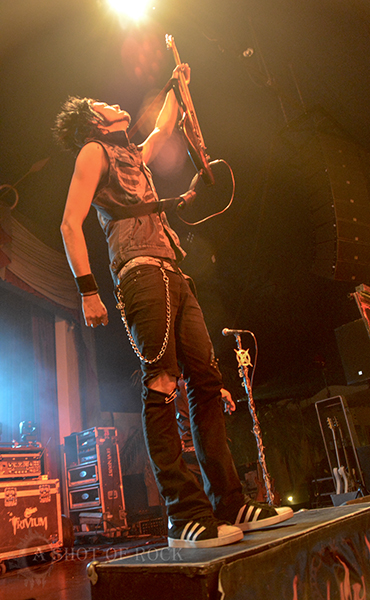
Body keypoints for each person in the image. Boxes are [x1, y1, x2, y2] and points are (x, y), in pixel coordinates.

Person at [54, 62, 293, 549]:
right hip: (140, 273)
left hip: (173, 271)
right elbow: (69, 223)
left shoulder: (132, 155)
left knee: (206, 383)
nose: (116, 104)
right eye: (105, 104)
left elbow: (164, 129)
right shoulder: (93, 152)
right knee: (162, 383)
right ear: (94, 121)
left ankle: (230, 504)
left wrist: (176, 84)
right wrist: (88, 291)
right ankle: (184, 516)